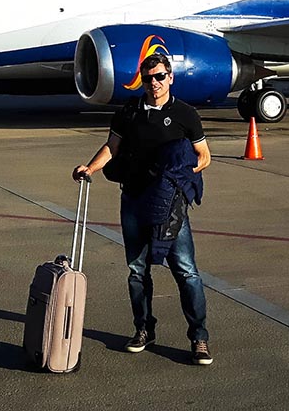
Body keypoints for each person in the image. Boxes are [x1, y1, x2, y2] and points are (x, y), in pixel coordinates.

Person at [72, 53, 214, 365]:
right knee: (137, 270)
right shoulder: (128, 113)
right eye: (148, 78)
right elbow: (112, 147)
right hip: (134, 200)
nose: (154, 83)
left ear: (171, 77)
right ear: (142, 79)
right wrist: (91, 168)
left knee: (186, 271)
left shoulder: (185, 114)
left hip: (170, 205)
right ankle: (143, 330)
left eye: (160, 76)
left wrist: (177, 177)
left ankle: (199, 337)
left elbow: (203, 155)